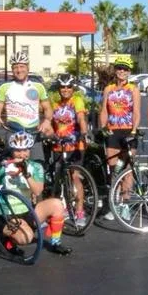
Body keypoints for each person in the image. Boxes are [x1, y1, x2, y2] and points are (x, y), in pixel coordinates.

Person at [0, 131, 71, 255]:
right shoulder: (4, 166)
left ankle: (56, 243)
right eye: (18, 150)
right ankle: (6, 240)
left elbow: (38, 191)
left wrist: (26, 173)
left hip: (27, 211)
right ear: (12, 151)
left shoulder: (35, 167)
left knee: (57, 204)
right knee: (26, 238)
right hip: (8, 214)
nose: (22, 154)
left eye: (25, 150)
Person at [0, 51, 53, 161]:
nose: (19, 70)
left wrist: (47, 121)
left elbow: (47, 108)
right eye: (15, 67)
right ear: (12, 69)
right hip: (13, 132)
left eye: (22, 66)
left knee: (37, 165)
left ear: (28, 67)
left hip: (33, 132)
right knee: (12, 167)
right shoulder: (4, 87)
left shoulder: (38, 86)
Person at [49, 77, 89, 226]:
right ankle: (64, 208)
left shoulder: (76, 101)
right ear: (59, 89)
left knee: (75, 177)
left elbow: (81, 118)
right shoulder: (55, 104)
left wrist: (84, 132)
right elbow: (49, 122)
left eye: (69, 87)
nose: (66, 90)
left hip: (75, 145)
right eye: (63, 87)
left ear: (73, 89)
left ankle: (79, 212)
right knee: (59, 178)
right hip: (59, 146)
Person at [99, 56, 141, 170]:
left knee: (128, 169)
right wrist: (103, 127)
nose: (122, 71)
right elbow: (104, 110)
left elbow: (136, 112)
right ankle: (114, 182)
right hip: (113, 131)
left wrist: (134, 130)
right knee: (113, 167)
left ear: (129, 72)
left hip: (128, 130)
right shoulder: (108, 89)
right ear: (115, 70)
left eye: (125, 69)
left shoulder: (133, 89)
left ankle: (127, 183)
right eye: (119, 68)